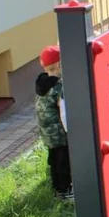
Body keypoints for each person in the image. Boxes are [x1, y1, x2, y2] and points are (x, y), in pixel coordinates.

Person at [35, 45, 71, 199]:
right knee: (63, 161)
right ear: (59, 65)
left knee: (54, 159)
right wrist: (70, 131)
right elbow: (63, 112)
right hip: (58, 131)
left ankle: (56, 188)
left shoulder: (41, 83)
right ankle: (64, 191)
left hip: (46, 131)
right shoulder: (59, 86)